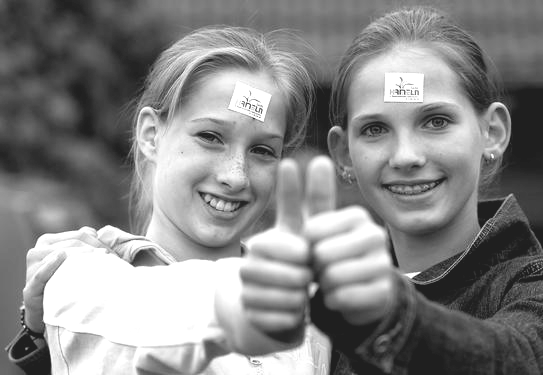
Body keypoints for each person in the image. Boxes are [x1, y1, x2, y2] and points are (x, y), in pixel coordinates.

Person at [5, 25, 332, 375]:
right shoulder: (88, 280)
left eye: (263, 150)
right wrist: (46, 332)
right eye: (210, 137)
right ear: (150, 135)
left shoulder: (316, 310)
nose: (235, 175)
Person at [241, 6, 543, 374]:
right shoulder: (313, 307)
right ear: (343, 153)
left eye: (436, 121)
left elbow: (518, 359)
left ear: (491, 132)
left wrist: (388, 316)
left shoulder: (530, 285)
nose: (406, 156)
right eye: (375, 130)